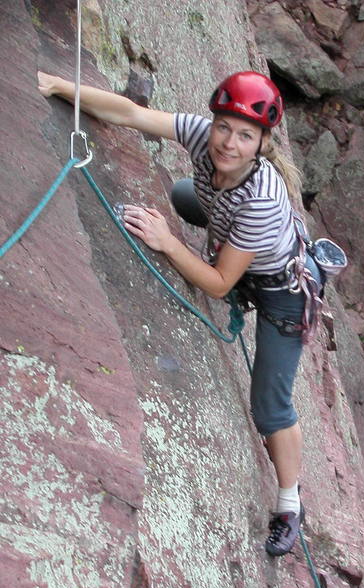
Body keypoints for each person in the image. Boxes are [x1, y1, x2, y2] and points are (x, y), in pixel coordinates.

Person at [38, 70, 322, 556]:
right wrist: (64, 88)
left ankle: (290, 505)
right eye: (224, 127)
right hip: (230, 229)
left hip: (281, 293)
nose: (229, 143)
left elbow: (218, 284)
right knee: (182, 194)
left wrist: (168, 243)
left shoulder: (262, 202)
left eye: (245, 136)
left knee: (269, 407)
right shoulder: (206, 138)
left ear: (263, 143)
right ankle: (208, 226)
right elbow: (131, 115)